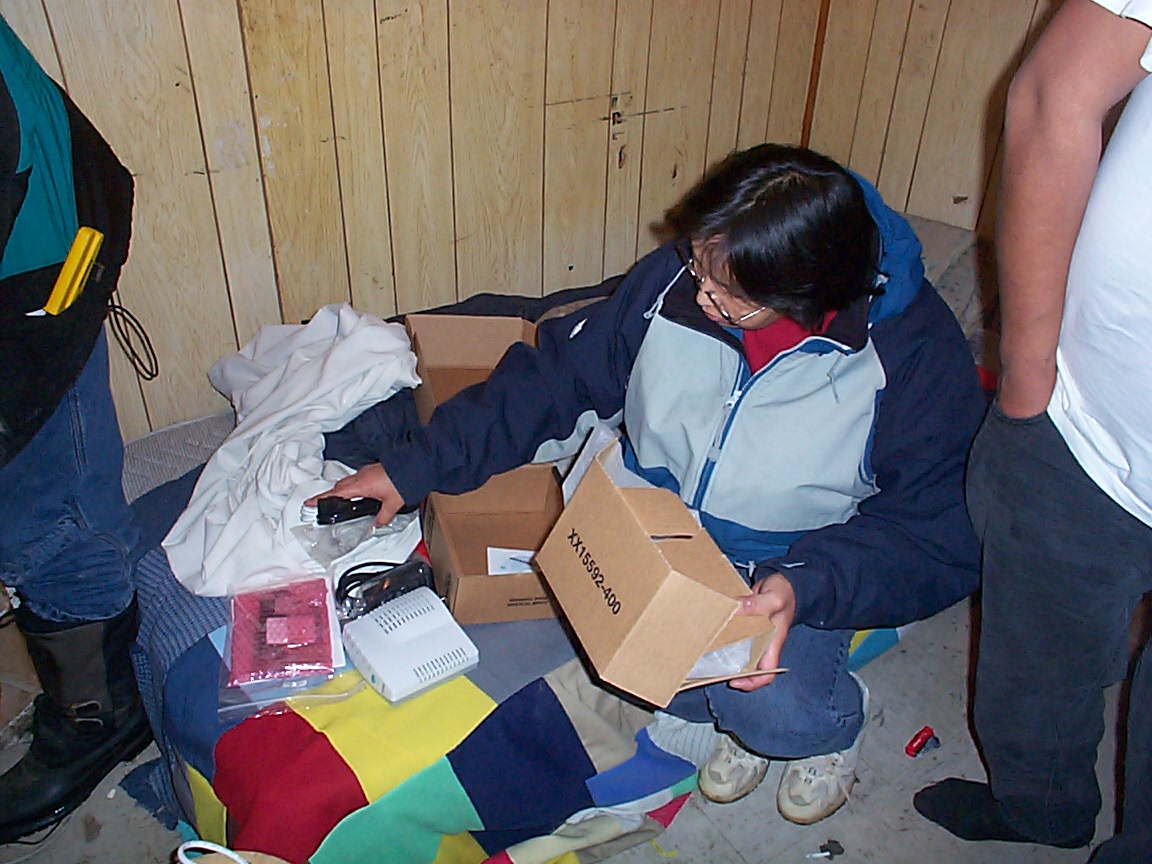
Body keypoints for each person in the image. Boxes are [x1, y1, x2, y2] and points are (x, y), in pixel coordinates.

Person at [312, 143, 986, 825]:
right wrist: (411, 468)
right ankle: (728, 719)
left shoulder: (913, 357)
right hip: (664, 530)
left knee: (772, 708)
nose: (699, 293)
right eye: (698, 263)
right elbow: (557, 377)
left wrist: (803, 584)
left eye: (730, 294)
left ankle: (832, 727)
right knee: (621, 652)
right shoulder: (685, 277)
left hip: (795, 563)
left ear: (804, 300)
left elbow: (942, 536)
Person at [912, 1, 1152, 859]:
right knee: (1031, 664)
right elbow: (1057, 91)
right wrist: (1024, 368)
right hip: (1087, 417)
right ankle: (1039, 808)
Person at [0, 15, 151, 843]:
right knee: (46, 497)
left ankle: (98, 713)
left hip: (24, 262)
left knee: (42, 514)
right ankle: (99, 692)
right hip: (33, 238)